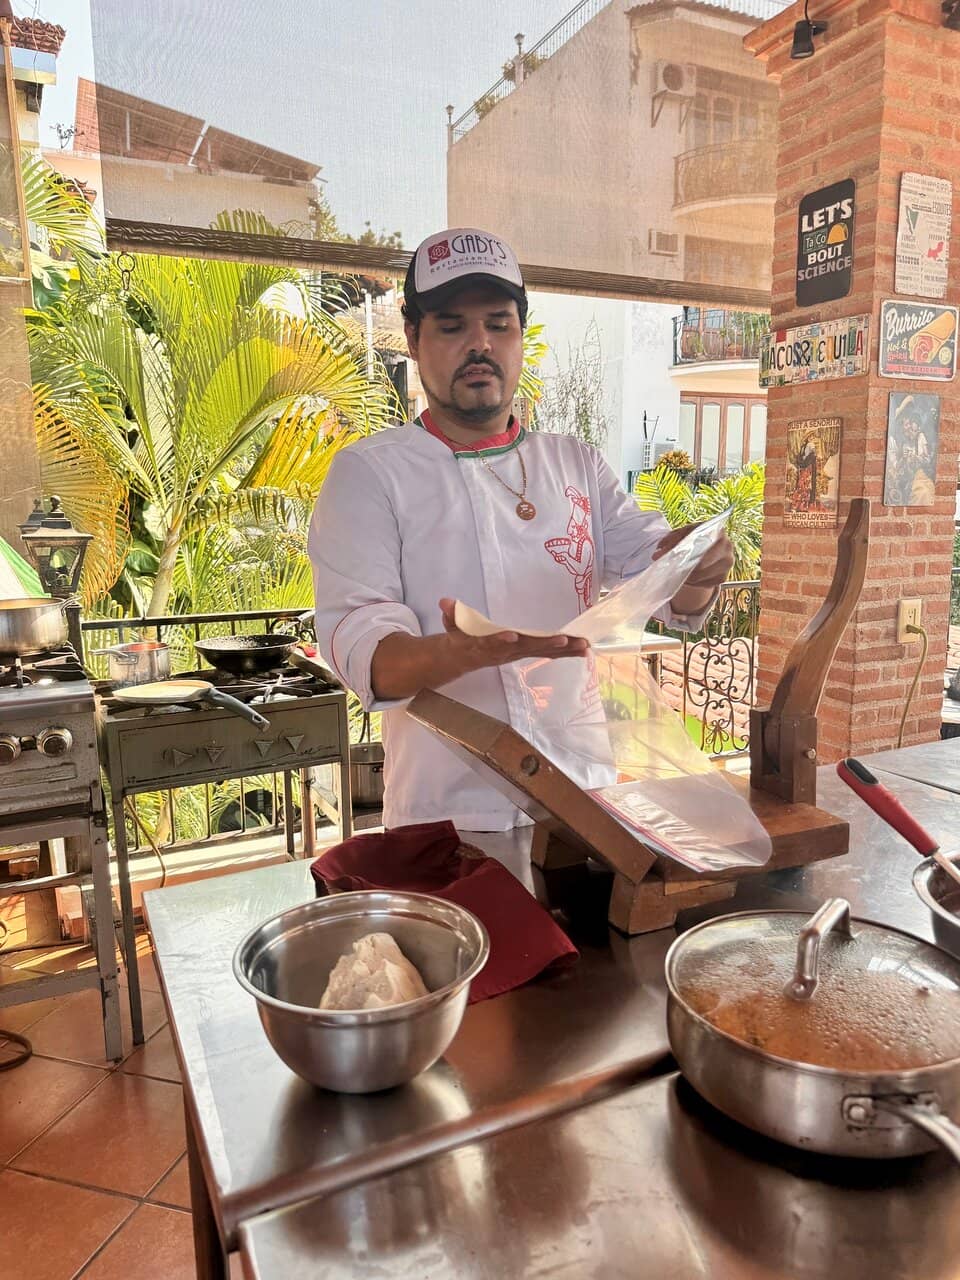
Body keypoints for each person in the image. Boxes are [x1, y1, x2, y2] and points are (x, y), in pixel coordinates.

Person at [308, 227, 733, 830]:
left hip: (585, 804)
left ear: (520, 336)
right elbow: (365, 653)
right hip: (450, 818)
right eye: (452, 326)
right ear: (413, 338)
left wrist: (696, 564)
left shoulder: (575, 464)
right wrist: (457, 656)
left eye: (498, 324)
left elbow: (667, 586)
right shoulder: (370, 475)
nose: (478, 344)